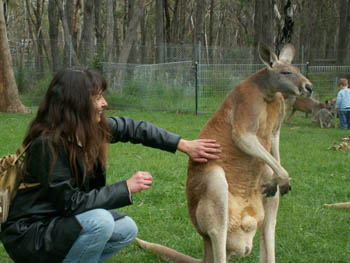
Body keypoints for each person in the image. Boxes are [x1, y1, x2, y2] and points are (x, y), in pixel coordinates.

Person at [0, 67, 221, 263]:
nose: (104, 103)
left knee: (126, 229)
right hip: (30, 235)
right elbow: (71, 204)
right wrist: (125, 188)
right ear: (76, 103)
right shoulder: (47, 144)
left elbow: (133, 128)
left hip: (56, 223)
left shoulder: (87, 131)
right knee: (101, 222)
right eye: (97, 97)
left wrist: (183, 145)